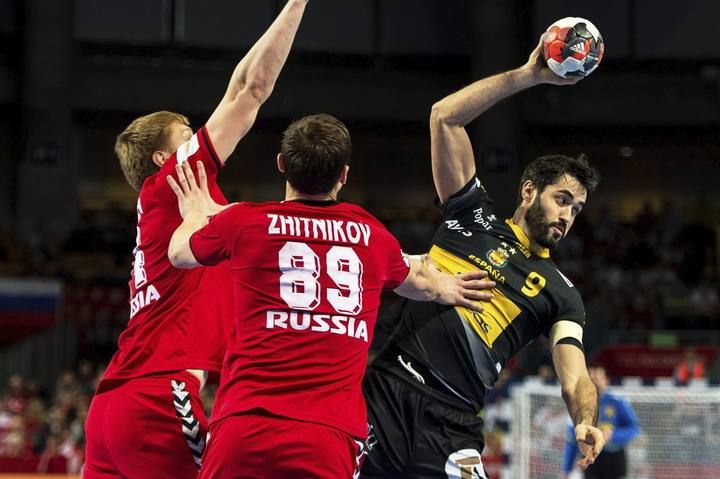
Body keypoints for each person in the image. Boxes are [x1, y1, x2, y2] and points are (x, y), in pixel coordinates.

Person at [166, 113, 495, 478]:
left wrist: (194, 214)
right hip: (328, 438)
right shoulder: (371, 236)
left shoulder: (244, 223)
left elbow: (179, 254)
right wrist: (449, 287)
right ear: (343, 175)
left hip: (243, 429)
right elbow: (419, 281)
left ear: (281, 165)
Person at [360, 37, 606, 478]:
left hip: (454, 425)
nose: (568, 215)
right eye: (562, 199)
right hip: (384, 394)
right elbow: (444, 117)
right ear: (529, 190)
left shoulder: (562, 295)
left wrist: (585, 419)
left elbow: (575, 376)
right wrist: (529, 75)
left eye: (577, 208)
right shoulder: (471, 214)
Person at [83, 2, 309, 478]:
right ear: (166, 156)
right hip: (157, 397)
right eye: (188, 135)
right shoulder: (170, 183)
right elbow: (251, 92)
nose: (200, 139)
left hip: (111, 407)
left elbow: (236, 84)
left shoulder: (169, 209)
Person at [563, 363, 640, 479]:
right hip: (590, 458)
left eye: (599, 379)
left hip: (614, 457)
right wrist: (566, 470)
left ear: (606, 381)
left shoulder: (618, 402)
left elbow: (634, 429)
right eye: (592, 379)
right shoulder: (577, 405)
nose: (595, 383)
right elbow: (572, 440)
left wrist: (613, 435)